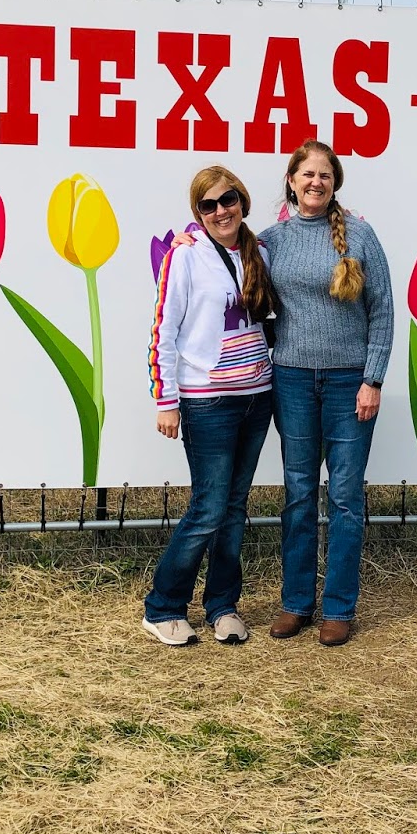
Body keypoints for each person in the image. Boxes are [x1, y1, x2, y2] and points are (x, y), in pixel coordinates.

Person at [258, 140, 393, 646]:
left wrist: (372, 378)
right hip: (291, 380)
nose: (316, 182)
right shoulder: (271, 239)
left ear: (335, 184)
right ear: (291, 180)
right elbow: (222, 252)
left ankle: (338, 608)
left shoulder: (359, 235)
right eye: (307, 173)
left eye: (325, 175)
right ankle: (296, 604)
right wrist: (188, 239)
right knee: (297, 495)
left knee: (344, 497)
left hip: (348, 384)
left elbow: (382, 311)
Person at [144, 167, 278, 646]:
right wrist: (167, 401)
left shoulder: (260, 251)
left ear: (243, 200)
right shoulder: (185, 256)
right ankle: (163, 606)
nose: (221, 210)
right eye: (209, 204)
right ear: (197, 212)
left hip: (256, 398)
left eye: (230, 199)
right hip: (208, 401)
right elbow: (165, 331)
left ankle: (222, 604)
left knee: (235, 508)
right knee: (208, 507)